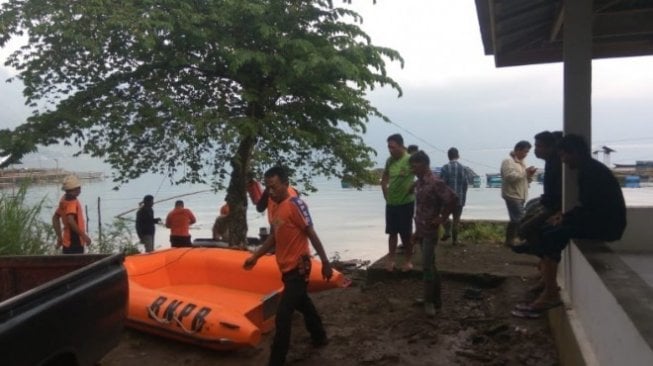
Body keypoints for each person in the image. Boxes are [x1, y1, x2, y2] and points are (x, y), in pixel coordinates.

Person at [512, 134, 627, 318]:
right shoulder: (587, 170)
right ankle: (548, 282)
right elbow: (589, 207)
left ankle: (550, 293)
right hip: (601, 220)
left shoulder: (591, 172)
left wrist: (565, 218)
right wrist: (565, 217)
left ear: (574, 153)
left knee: (551, 234)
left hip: (608, 226)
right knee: (548, 230)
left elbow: (592, 208)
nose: (563, 160)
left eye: (564, 155)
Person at [243, 166, 332, 366]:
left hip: (299, 268)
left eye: (273, 187)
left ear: (285, 183)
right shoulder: (276, 208)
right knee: (303, 304)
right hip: (285, 267)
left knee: (283, 316)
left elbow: (311, 233)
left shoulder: (295, 204)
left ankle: (276, 361)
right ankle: (319, 336)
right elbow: (274, 238)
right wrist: (255, 256)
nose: (270, 192)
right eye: (267, 187)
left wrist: (326, 263)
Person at [409, 151, 458, 317]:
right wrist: (416, 232)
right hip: (421, 230)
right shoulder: (420, 183)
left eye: (414, 165)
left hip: (430, 231)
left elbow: (453, 199)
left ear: (423, 164)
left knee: (427, 267)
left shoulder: (435, 182)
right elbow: (421, 209)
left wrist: (442, 218)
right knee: (431, 265)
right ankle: (435, 299)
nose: (412, 168)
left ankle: (429, 301)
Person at [380, 133, 415, 271]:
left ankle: (408, 261)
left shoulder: (410, 159)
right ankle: (391, 260)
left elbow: (422, 175)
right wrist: (385, 193)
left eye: (393, 147)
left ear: (401, 146)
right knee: (392, 233)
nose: (390, 150)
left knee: (406, 234)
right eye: (389, 147)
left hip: (406, 203)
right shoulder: (389, 161)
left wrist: (414, 186)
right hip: (391, 204)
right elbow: (384, 179)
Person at [500, 140, 536, 246]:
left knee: (514, 219)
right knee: (521, 218)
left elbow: (524, 179)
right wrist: (525, 173)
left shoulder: (522, 163)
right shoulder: (508, 161)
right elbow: (509, 177)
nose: (526, 154)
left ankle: (509, 240)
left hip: (521, 194)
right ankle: (525, 240)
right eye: (525, 152)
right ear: (518, 150)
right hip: (512, 194)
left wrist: (530, 175)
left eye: (527, 152)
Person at [52, 175, 92, 254]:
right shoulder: (72, 202)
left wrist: (59, 237)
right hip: (75, 241)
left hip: (66, 241)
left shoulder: (63, 199)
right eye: (79, 187)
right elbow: (70, 220)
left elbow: (55, 218)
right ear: (77, 189)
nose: (80, 190)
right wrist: (84, 236)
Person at [439, 147, 469, 245]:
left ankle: (447, 231)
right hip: (459, 199)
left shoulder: (445, 168)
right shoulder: (463, 168)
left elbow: (441, 185)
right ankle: (455, 241)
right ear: (458, 156)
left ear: (448, 156)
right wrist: (463, 198)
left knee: (443, 217)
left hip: (447, 200)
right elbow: (465, 185)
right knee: (456, 220)